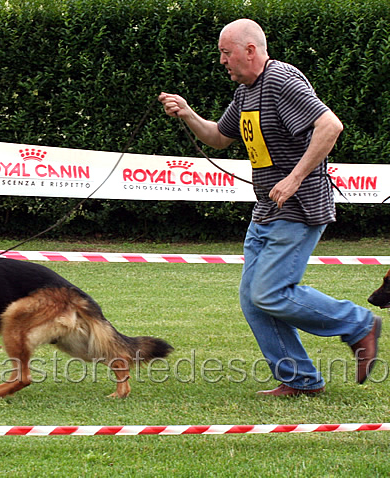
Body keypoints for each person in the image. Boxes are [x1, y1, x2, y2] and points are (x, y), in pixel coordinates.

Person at [158, 18, 381, 396]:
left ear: (250, 50)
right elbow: (218, 138)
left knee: (270, 292)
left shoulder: (280, 81)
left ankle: (359, 325)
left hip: (298, 207)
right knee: (254, 299)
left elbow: (330, 126)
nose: (223, 62)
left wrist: (294, 178)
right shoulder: (246, 91)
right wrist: (188, 113)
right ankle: (300, 381)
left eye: (226, 53)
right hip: (266, 210)